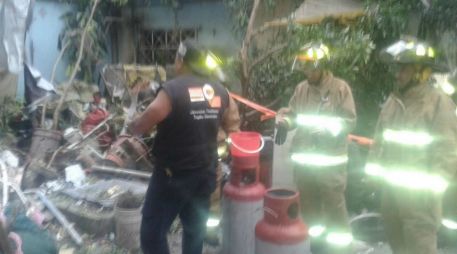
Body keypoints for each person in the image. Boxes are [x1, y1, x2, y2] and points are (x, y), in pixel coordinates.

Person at [128, 40, 240, 254]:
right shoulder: (220, 91)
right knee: (194, 232)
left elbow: (145, 122)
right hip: (205, 174)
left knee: (152, 234)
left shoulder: (173, 90)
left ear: (181, 60)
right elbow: (232, 126)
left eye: (176, 58)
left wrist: (132, 123)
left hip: (173, 176)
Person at [366, 38, 457, 254]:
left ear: (421, 72)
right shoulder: (393, 102)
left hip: (421, 204)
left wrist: (431, 194)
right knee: (399, 248)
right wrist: (372, 179)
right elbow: (379, 142)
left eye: (404, 69)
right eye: (397, 69)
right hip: (391, 197)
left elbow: (447, 153)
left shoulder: (438, 104)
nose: (398, 75)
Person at [276, 42, 356, 252]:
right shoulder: (301, 89)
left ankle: (341, 250)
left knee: (335, 212)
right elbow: (293, 114)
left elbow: (349, 120)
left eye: (308, 66)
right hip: (305, 164)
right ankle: (317, 248)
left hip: (330, 165)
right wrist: (285, 123)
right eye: (303, 66)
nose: (305, 71)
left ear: (320, 65)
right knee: (311, 214)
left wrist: (330, 129)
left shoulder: (339, 88)